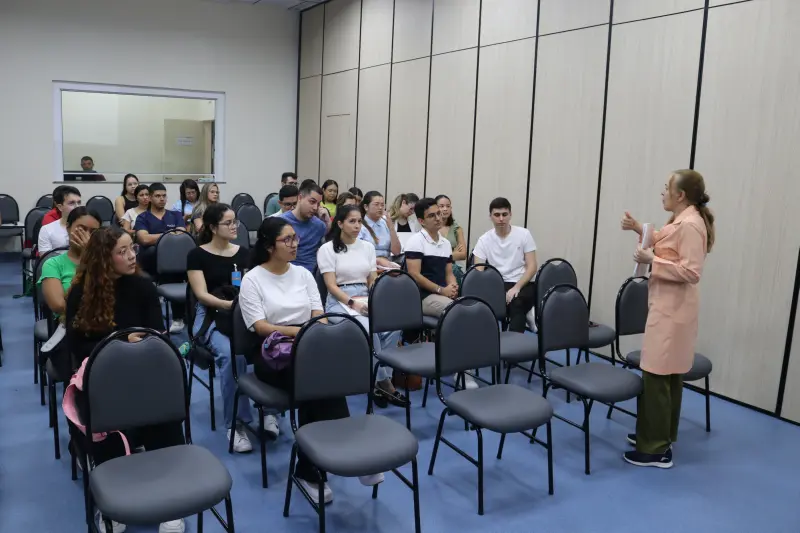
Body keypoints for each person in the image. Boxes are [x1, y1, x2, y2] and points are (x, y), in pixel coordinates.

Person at [240, 217, 382, 503]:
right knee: (317, 382)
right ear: (269, 246)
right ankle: (346, 456)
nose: (295, 244)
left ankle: (311, 470)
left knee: (319, 380)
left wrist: (313, 333)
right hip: (272, 351)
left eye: (295, 238)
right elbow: (260, 327)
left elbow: (319, 314)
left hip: (308, 344)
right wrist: (301, 332)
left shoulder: (303, 274)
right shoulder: (252, 279)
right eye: (287, 240)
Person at [64, 226, 186, 533]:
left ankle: (171, 497)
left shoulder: (143, 286)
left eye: (132, 248)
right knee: (103, 420)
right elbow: (77, 347)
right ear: (104, 258)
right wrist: (119, 344)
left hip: (143, 373)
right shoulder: (81, 293)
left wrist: (138, 345)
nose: (132, 256)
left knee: (165, 414)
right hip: (101, 377)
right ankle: (111, 503)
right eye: (122, 251)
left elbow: (157, 336)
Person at [621, 169, 714, 469]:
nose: (663, 193)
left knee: (657, 375)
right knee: (668, 375)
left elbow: (691, 272)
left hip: (672, 312)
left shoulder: (690, 225)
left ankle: (655, 448)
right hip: (670, 308)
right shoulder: (683, 220)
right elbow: (664, 241)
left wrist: (652, 260)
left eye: (666, 188)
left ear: (681, 195)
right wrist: (639, 228)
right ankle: (659, 435)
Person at [187, 203, 260, 452]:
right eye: (228, 223)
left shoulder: (244, 253)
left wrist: (243, 308)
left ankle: (270, 411)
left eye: (235, 222)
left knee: (271, 344)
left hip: (240, 312)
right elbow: (201, 295)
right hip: (210, 314)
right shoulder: (197, 255)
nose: (234, 227)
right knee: (231, 354)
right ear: (212, 227)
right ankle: (235, 424)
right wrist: (232, 306)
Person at [318, 206, 405, 407]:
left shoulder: (367, 247)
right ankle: (385, 384)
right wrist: (352, 303)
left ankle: (378, 380)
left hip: (364, 295)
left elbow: (372, 278)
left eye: (359, 221)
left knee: (393, 325)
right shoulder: (327, 249)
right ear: (340, 224)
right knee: (368, 328)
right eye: (352, 221)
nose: (357, 226)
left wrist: (375, 298)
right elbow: (331, 286)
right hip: (340, 300)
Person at [405, 198, 473, 388]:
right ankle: (463, 370)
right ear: (421, 221)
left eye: (439, 213)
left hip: (440, 294)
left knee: (470, 312)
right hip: (421, 297)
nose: (438, 218)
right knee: (458, 314)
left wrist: (453, 286)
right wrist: (441, 290)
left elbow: (449, 273)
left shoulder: (444, 243)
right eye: (432, 215)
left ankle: (459, 363)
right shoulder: (416, 241)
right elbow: (415, 275)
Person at [472, 197, 538, 333]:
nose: (501, 219)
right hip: (498, 283)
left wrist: (517, 287)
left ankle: (515, 342)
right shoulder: (484, 240)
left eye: (504, 214)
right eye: (497, 215)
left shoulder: (524, 234)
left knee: (517, 302)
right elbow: (478, 271)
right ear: (490, 216)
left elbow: (532, 266)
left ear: (510, 215)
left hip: (523, 282)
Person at [134, 183, 187, 333]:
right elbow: (144, 239)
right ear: (150, 198)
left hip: (173, 263)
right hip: (150, 262)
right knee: (152, 251)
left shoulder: (175, 215)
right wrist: (169, 235)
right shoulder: (143, 217)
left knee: (175, 261)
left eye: (164, 196)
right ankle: (157, 321)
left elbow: (181, 234)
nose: (162, 199)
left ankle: (178, 318)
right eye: (157, 196)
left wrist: (157, 238)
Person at [40, 207, 101, 318]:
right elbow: (58, 306)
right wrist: (86, 256)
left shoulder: (105, 260)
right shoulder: (53, 264)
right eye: (81, 229)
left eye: (93, 232)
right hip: (69, 322)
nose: (87, 237)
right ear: (68, 228)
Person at [280, 182, 327, 272]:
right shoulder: (281, 222)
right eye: (312, 202)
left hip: (312, 275)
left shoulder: (320, 226)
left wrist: (327, 221)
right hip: (286, 272)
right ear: (300, 198)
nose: (315, 207)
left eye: (318, 204)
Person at [358, 191, 401, 269]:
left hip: (388, 264)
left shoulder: (386, 222)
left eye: (382, 205)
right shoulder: (359, 225)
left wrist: (391, 227)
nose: (380, 208)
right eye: (376, 204)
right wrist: (378, 260)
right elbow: (358, 253)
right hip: (367, 265)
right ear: (366, 207)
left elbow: (396, 252)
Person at [38, 186, 82, 254]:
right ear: (60, 207)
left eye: (79, 202)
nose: (77, 207)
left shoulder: (88, 227)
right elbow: (46, 259)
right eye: (71, 203)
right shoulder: (47, 230)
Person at [435, 195, 467, 285]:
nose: (445, 209)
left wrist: (440, 256)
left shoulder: (457, 229)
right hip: (433, 268)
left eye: (448, 206)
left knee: (455, 271)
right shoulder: (431, 227)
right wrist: (452, 253)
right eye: (441, 206)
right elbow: (430, 255)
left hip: (452, 268)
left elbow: (463, 254)